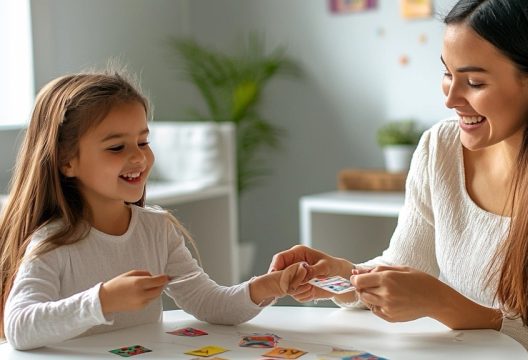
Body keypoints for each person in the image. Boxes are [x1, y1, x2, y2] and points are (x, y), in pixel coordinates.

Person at [270, 0, 528, 358]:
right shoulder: (440, 149)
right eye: (447, 73)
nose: (450, 98)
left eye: (475, 82)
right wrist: (346, 276)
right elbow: (407, 266)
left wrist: (442, 303)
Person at [0, 69, 308, 350]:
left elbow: (209, 303)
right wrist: (103, 300)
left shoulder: (157, 229)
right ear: (67, 161)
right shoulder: (53, 243)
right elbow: (19, 327)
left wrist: (266, 287)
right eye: (116, 147)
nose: (139, 158)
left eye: (143, 142)